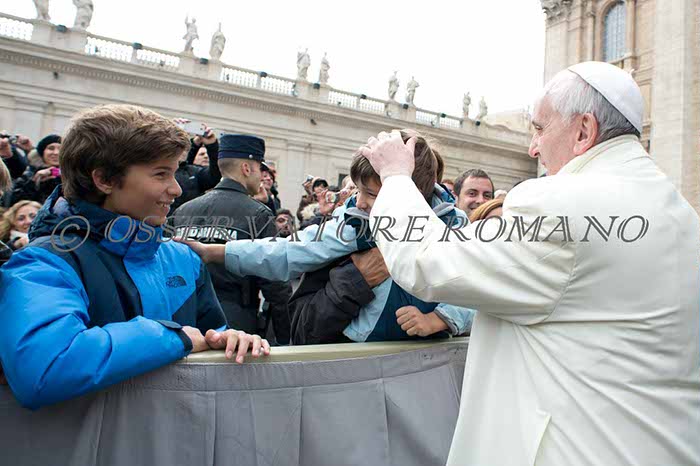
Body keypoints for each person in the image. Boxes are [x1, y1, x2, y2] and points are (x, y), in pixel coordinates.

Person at [359, 62, 700, 465]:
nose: (532, 149)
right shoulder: (680, 213)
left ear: (584, 131)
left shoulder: (561, 204)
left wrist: (396, 177)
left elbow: (426, 259)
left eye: (539, 129)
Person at [0, 105, 269, 410]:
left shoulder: (184, 259)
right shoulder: (42, 262)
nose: (176, 189)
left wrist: (230, 341)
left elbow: (209, 334)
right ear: (104, 179)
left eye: (175, 172)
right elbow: (44, 367)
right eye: (161, 174)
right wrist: (173, 338)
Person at [181, 130, 475, 344]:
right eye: (358, 190)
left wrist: (438, 320)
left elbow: (475, 288)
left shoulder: (453, 226)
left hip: (424, 362)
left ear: (408, 192)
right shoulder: (354, 223)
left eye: (371, 194)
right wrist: (217, 252)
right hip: (359, 353)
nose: (359, 202)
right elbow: (291, 250)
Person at [173, 134, 292, 345]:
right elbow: (275, 284)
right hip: (235, 328)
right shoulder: (258, 214)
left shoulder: (183, 210)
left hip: (184, 321)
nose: (262, 176)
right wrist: (284, 338)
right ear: (247, 168)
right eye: (260, 169)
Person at [11, 134, 62, 204]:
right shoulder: (30, 173)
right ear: (42, 152)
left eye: (60, 149)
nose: (56, 153)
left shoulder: (71, 174)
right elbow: (15, 200)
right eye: (51, 148)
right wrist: (34, 182)